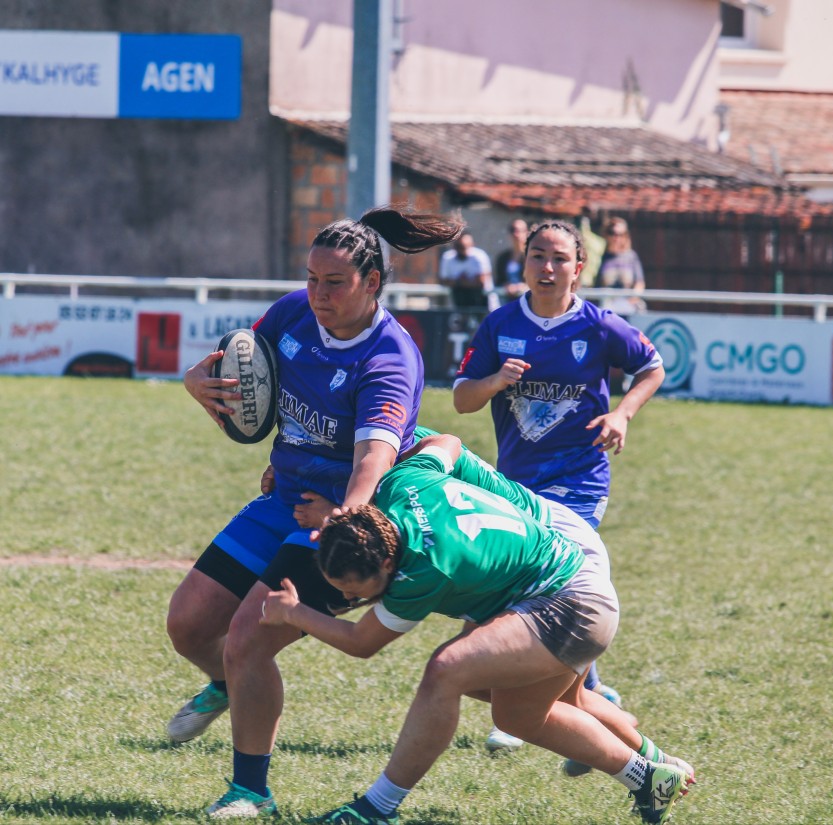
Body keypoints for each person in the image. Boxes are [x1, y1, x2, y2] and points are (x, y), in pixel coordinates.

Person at [164, 205, 463, 818]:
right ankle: (229, 684)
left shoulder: (389, 358)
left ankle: (251, 792)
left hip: (343, 518)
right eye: (311, 278)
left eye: (334, 283)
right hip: (285, 498)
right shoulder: (292, 313)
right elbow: (242, 369)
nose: (318, 294)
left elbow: (372, 461)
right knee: (189, 625)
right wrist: (200, 385)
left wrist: (341, 521)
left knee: (248, 638)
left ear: (372, 283)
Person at [260, 437, 694, 825]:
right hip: (562, 581)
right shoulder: (402, 483)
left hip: (573, 600)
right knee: (518, 716)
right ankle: (649, 777)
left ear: (388, 563)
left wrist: (294, 612)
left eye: (356, 591)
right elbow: (444, 441)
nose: (350, 599)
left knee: (447, 669)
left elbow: (361, 642)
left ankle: (377, 808)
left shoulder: (422, 568)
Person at [452, 220, 665, 748]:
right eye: (538, 256)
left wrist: (623, 414)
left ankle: (528, 711)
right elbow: (462, 399)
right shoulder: (500, 325)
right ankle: (590, 698)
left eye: (560, 258)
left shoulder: (599, 326)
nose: (547, 268)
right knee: (542, 583)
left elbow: (652, 367)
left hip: (580, 480)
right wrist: (495, 381)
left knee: (547, 579)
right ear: (523, 262)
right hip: (515, 487)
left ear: (578, 268)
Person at [595, 217, 646, 318]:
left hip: (628, 303)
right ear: (606, 234)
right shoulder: (600, 256)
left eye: (621, 234)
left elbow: (639, 282)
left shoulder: (631, 256)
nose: (616, 238)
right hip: (607, 304)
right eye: (612, 233)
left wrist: (633, 298)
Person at [438, 231, 494, 310]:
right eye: (459, 246)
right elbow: (444, 281)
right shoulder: (448, 257)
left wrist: (457, 283)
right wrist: (465, 282)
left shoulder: (480, 256)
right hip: (459, 304)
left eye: (465, 246)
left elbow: (481, 282)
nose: (463, 250)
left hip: (483, 304)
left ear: (472, 245)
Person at [493, 218, 529, 300]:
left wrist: (523, 286)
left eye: (519, 231)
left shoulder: (531, 257)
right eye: (513, 230)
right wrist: (506, 286)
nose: (516, 234)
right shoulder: (503, 257)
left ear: (527, 233)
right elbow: (498, 281)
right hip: (507, 299)